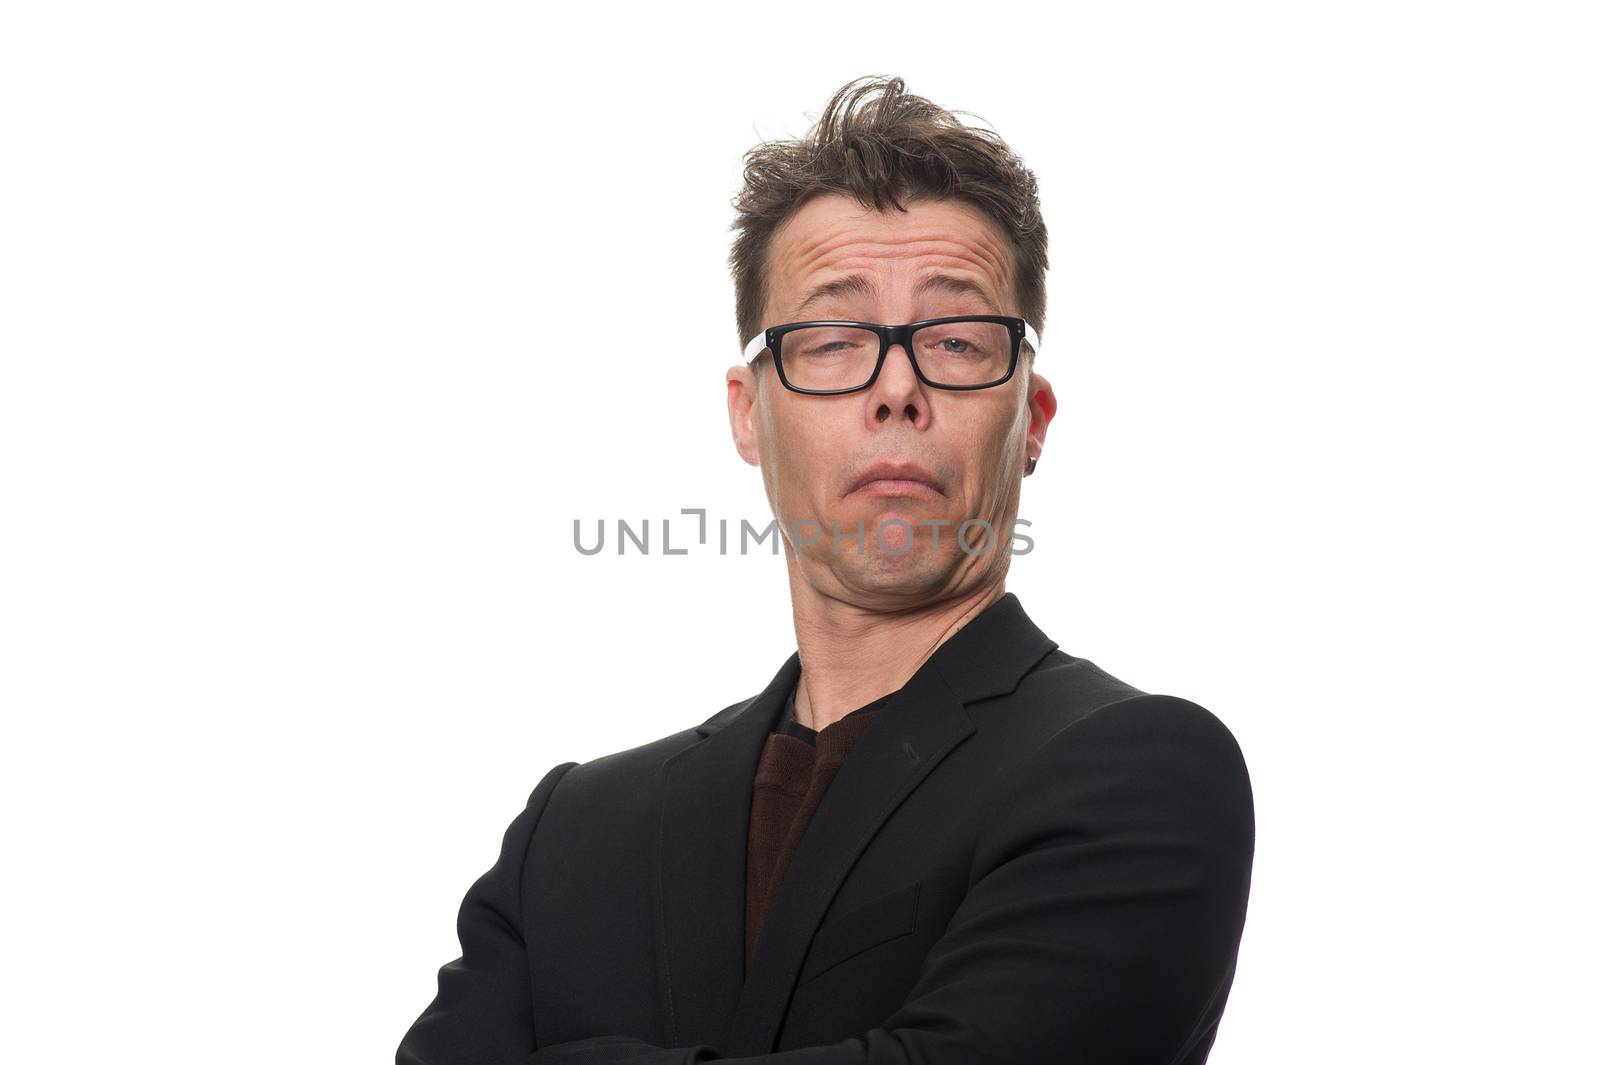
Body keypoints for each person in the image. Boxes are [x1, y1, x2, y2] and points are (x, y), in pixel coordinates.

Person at [396, 75, 1255, 1065]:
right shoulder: (574, 831)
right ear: (746, 415)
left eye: (956, 340)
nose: (897, 388)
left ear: (1033, 421)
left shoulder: (1135, 771)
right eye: (834, 341)